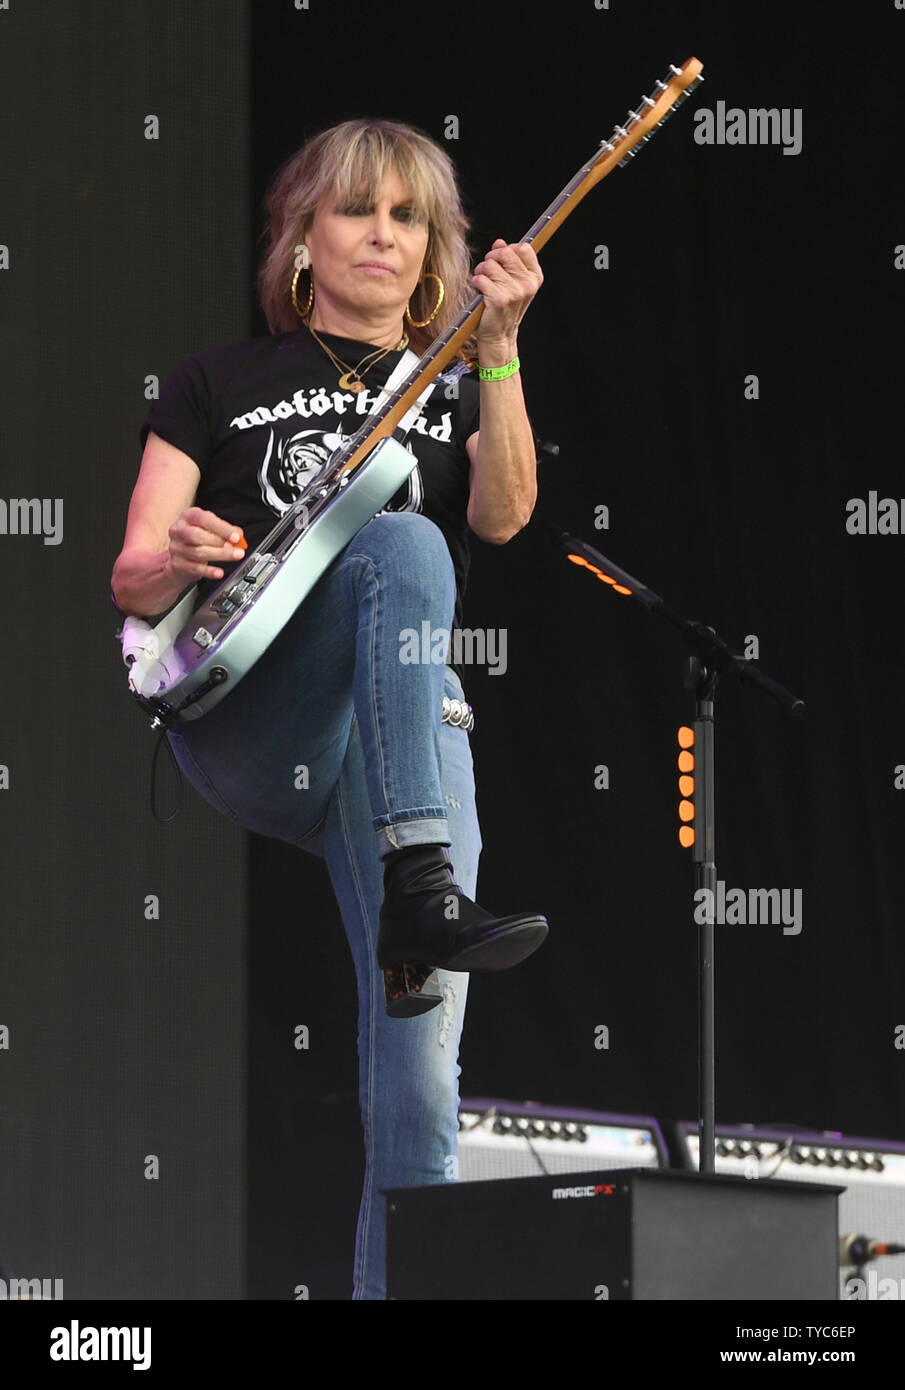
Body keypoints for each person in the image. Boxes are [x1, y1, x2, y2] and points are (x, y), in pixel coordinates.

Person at [111, 117, 549, 1300]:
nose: (384, 236)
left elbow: (504, 514)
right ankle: (423, 886)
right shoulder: (220, 381)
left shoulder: (442, 378)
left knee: (418, 1095)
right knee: (400, 540)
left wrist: (498, 350)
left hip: (399, 739)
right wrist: (186, 558)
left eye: (410, 219)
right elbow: (132, 571)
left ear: (433, 253)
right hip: (259, 707)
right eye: (358, 210)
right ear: (302, 237)